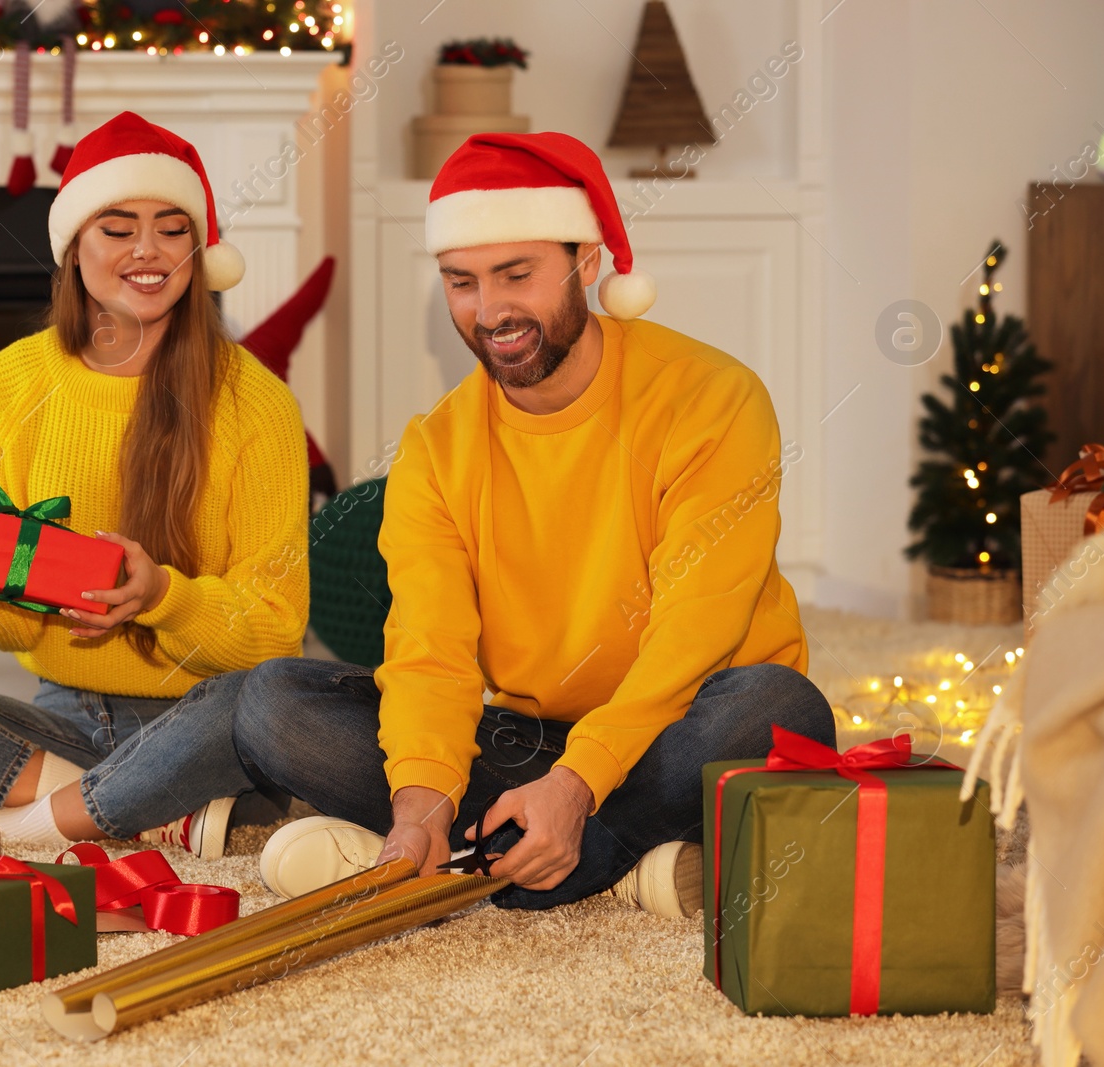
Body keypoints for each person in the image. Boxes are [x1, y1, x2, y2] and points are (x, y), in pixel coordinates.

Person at [71, 129, 836, 915]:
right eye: (461, 281)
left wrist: (578, 782)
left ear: (587, 262)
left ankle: (552, 849)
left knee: (779, 709)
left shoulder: (713, 397)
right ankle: (569, 852)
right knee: (275, 704)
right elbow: (431, 653)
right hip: (526, 740)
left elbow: (696, 630)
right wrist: (420, 803)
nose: (492, 309)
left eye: (517, 274)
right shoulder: (435, 447)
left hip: (682, 715)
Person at [0, 111, 308, 859]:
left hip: (198, 715)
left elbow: (275, 628)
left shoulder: (257, 402)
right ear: (74, 248)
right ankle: (145, 810)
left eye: (172, 228)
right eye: (117, 226)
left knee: (273, 701)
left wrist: (164, 596)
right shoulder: (3, 384)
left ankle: (31, 818)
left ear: (200, 253)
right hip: (62, 717)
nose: (147, 250)